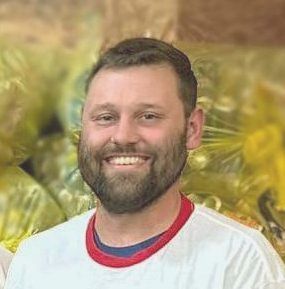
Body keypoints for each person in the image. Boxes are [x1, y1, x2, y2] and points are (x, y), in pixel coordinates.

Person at [4, 38, 285, 289]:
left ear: (192, 129)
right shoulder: (37, 260)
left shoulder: (241, 262)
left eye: (148, 116)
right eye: (105, 117)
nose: (123, 136)